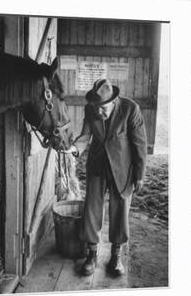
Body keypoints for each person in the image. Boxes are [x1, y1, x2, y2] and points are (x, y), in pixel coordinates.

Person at [63, 78, 147, 276]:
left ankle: (116, 256)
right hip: (98, 166)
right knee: (91, 209)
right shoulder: (91, 109)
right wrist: (74, 148)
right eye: (96, 107)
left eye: (103, 108)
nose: (99, 112)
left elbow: (140, 145)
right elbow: (85, 136)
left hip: (123, 168)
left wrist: (140, 175)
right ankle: (92, 254)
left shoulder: (130, 109)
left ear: (113, 101)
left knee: (120, 211)